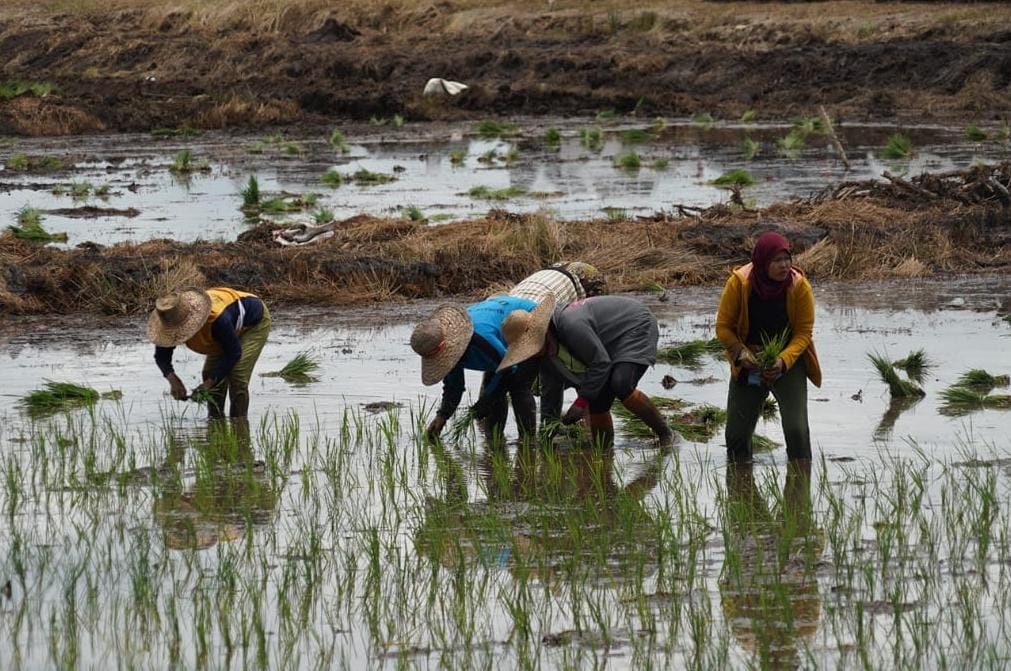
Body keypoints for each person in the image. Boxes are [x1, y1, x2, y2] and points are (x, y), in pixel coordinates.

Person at [497, 295, 674, 448]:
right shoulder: (547, 354)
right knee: (598, 398)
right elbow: (551, 391)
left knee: (621, 383)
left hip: (634, 326)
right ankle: (604, 450)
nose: (532, 354)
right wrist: (547, 432)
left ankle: (666, 434)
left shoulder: (570, 325)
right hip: (606, 342)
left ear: (541, 332)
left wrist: (580, 403)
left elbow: (600, 363)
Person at [715, 231, 821, 462]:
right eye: (776, 260)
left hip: (786, 362)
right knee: (736, 436)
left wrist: (782, 361)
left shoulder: (799, 286)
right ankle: (741, 487)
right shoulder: (739, 283)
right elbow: (723, 327)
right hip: (750, 362)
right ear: (762, 262)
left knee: (796, 430)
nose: (784, 266)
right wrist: (740, 352)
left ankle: (799, 486)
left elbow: (804, 334)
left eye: (787, 258)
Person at [480, 261, 608, 438]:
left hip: (543, 306)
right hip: (535, 302)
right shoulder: (512, 322)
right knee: (526, 381)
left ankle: (543, 433)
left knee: (542, 374)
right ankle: (538, 435)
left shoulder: (546, 289)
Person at [411, 296, 539, 442]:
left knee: (518, 387)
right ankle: (494, 442)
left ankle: (528, 444)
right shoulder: (450, 353)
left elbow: (509, 367)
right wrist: (442, 416)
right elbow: (454, 387)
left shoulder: (481, 340)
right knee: (493, 390)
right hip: (498, 347)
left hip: (527, 322)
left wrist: (486, 400)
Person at [148, 287, 271, 418]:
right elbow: (161, 356)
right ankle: (216, 419)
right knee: (209, 373)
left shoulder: (216, 319)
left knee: (237, 374)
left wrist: (208, 383)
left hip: (253, 323)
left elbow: (234, 352)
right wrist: (173, 380)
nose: (178, 334)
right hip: (224, 332)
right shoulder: (169, 321)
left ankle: (239, 424)